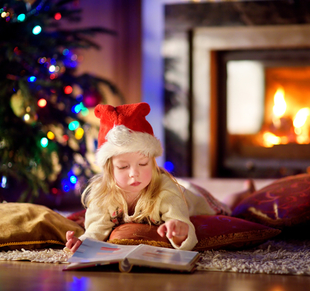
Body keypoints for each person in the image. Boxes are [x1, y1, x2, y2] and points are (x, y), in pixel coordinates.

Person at [66, 102, 253, 252]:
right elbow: (95, 230)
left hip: (190, 196)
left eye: (143, 164)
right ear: (108, 170)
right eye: (123, 166)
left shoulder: (165, 189)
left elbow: (182, 225)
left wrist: (179, 231)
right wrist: (82, 243)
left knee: (227, 207)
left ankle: (245, 192)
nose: (134, 173)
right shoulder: (102, 193)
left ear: (153, 162)